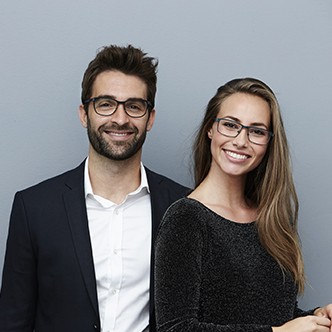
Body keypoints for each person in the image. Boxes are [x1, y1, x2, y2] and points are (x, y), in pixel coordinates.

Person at [0, 44, 188, 332]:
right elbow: (13, 321)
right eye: (105, 104)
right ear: (84, 114)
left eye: (134, 106)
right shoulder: (34, 208)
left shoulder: (183, 206)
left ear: (150, 118)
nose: (121, 118)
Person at [154, 77, 332, 331]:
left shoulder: (272, 220)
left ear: (269, 143)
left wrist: (316, 318)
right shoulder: (186, 218)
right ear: (210, 129)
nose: (241, 141)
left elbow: (270, 314)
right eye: (230, 125)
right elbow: (176, 329)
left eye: (257, 131)